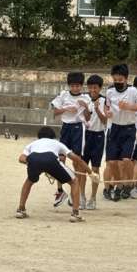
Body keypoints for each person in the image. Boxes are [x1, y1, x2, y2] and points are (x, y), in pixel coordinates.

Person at [16, 126, 98, 222]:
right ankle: (75, 213)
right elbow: (77, 159)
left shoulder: (32, 144)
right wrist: (91, 173)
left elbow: (21, 158)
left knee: (29, 181)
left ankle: (21, 209)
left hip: (33, 159)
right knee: (74, 181)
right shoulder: (57, 143)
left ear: (39, 136)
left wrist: (37, 164)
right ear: (53, 136)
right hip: (51, 159)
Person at [105, 64, 137, 201]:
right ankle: (118, 185)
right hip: (114, 128)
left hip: (129, 129)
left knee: (126, 160)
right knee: (112, 162)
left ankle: (128, 184)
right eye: (115, 80)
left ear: (126, 78)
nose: (117, 82)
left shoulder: (133, 91)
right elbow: (106, 107)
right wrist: (107, 113)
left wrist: (129, 106)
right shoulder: (110, 91)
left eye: (120, 80)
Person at [51, 72, 91, 208]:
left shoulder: (85, 97)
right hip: (66, 128)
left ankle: (78, 194)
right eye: (73, 86)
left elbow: (88, 117)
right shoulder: (63, 95)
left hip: (78, 128)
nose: (75, 88)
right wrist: (66, 108)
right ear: (69, 85)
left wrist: (85, 107)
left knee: (77, 161)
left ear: (81, 86)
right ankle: (60, 190)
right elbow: (55, 112)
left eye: (77, 86)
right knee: (60, 159)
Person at [82, 75, 107, 210]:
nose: (92, 90)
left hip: (98, 136)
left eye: (95, 87)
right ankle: (81, 196)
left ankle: (93, 197)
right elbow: (86, 118)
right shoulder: (85, 99)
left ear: (100, 88)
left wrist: (97, 109)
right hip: (86, 136)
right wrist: (86, 108)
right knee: (82, 168)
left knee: (95, 168)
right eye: (90, 87)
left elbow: (105, 121)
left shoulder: (104, 101)